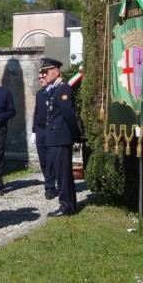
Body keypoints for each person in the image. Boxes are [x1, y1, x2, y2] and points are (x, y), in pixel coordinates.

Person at [42, 58, 83, 217]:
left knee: (63, 175)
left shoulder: (63, 89)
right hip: (56, 137)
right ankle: (69, 205)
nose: (44, 75)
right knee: (62, 174)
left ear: (56, 71)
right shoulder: (55, 89)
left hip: (61, 137)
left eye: (46, 71)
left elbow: (69, 115)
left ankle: (66, 206)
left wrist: (77, 135)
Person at [31, 67, 57, 200]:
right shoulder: (40, 94)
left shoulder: (54, 92)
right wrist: (34, 131)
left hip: (50, 129)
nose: (41, 80)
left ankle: (50, 187)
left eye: (43, 77)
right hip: (40, 129)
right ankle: (48, 181)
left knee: (50, 158)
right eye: (39, 78)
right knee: (43, 159)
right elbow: (36, 113)